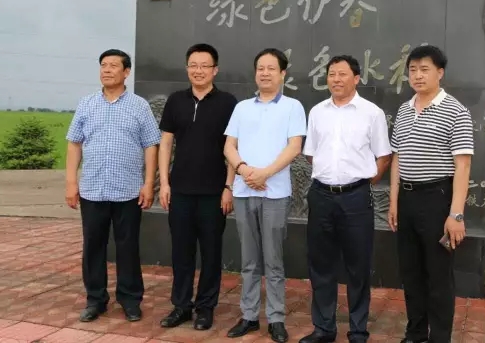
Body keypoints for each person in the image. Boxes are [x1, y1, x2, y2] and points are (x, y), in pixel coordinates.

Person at [300, 55, 392, 343]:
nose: (336, 79)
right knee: (321, 264)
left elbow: (384, 156)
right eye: (331, 74)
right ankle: (324, 328)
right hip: (321, 195)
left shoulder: (372, 113)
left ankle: (358, 329)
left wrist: (359, 182)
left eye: (342, 74)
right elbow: (311, 154)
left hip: (356, 198)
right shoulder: (317, 112)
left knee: (358, 266)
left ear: (356, 78)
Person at [65, 49, 161, 323]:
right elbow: (74, 144)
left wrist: (148, 184)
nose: (107, 70)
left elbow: (151, 146)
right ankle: (95, 300)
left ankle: (130, 300)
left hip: (128, 190)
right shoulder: (87, 104)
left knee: (127, 248)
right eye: (103, 65)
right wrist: (71, 182)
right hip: (92, 189)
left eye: (113, 66)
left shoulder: (139, 106)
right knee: (93, 247)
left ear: (126, 72)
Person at [387, 45, 474, 343]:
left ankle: (439, 337)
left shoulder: (456, 111)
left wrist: (456, 214)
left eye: (424, 69)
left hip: (437, 199)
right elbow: (397, 158)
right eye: (413, 70)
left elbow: (463, 166)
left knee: (438, 275)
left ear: (440, 72)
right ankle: (415, 334)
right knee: (410, 272)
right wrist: (394, 201)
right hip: (408, 199)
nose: (418, 75)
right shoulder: (404, 109)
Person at [223, 48, 307, 343]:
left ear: (283, 74)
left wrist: (265, 174)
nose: (265, 73)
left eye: (272, 68)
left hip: (275, 194)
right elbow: (229, 146)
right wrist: (245, 170)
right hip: (244, 191)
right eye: (261, 68)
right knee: (248, 260)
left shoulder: (293, 107)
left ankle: (276, 318)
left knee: (273, 260)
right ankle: (248, 315)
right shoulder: (242, 107)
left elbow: (294, 147)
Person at [157, 43, 237, 331]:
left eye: (205, 65)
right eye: (193, 65)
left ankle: (206, 307)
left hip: (214, 192)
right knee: (181, 252)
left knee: (211, 253)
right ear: (187, 68)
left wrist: (229, 187)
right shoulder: (175, 101)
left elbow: (234, 146)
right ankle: (181, 306)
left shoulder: (228, 103)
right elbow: (166, 143)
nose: (198, 70)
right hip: (180, 191)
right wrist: (164, 183)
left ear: (215, 70)